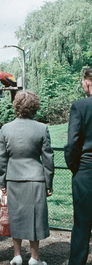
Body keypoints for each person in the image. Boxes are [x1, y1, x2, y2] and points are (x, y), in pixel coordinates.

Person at [0, 90, 54, 265]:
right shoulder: (42, 128)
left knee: (16, 217)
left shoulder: (6, 128)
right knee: (34, 218)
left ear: (16, 106)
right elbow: (48, 159)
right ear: (34, 107)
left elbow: (1, 158)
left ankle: (17, 256)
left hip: (14, 179)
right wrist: (49, 182)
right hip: (36, 179)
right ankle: (35, 258)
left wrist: (2, 181)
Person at [64, 67, 92, 265]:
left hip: (86, 171)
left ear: (88, 82)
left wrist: (76, 167)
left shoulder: (80, 106)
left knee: (82, 224)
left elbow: (73, 143)